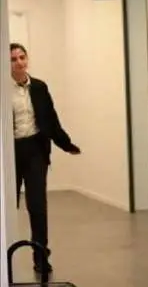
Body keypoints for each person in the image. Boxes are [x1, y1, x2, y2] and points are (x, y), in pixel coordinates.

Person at [9, 42, 81, 273]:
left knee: (37, 206)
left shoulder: (39, 87)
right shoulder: (2, 89)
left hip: (35, 151)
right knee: (7, 205)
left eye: (22, 57)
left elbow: (51, 119)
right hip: (10, 153)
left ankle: (40, 256)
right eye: (13, 59)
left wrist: (65, 144)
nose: (19, 62)